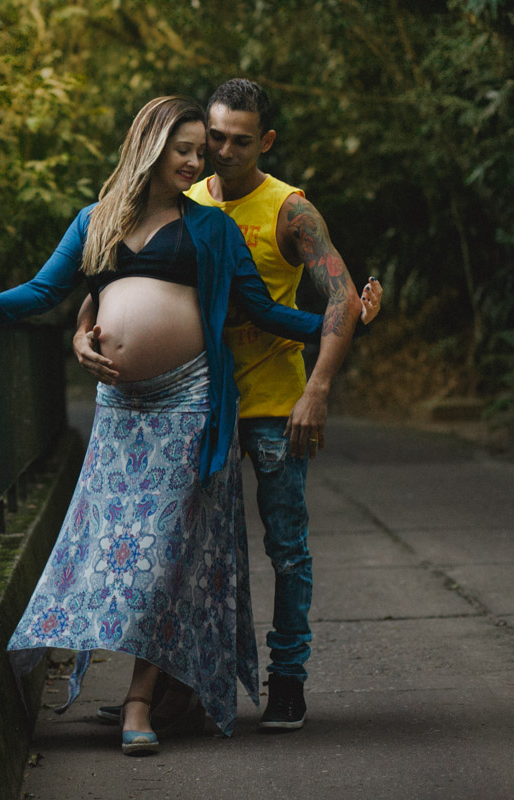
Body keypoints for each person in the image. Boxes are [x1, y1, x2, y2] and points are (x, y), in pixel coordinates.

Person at [0, 96, 338, 755]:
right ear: (150, 145)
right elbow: (42, 293)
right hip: (121, 411)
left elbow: (261, 309)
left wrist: (338, 325)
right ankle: (139, 692)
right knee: (114, 551)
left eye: (202, 151)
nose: (198, 162)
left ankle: (141, 701)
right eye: (186, 150)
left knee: (164, 555)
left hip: (190, 404)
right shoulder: (97, 221)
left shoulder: (212, 229)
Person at [73, 79, 382, 733]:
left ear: (264, 141)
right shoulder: (180, 196)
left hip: (273, 404)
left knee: (287, 549)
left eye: (241, 140)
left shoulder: (289, 209)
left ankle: (287, 681)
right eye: (215, 137)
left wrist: (317, 391)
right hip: (193, 401)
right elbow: (111, 278)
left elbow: (337, 297)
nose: (223, 150)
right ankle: (175, 692)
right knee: (182, 550)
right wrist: (82, 331)